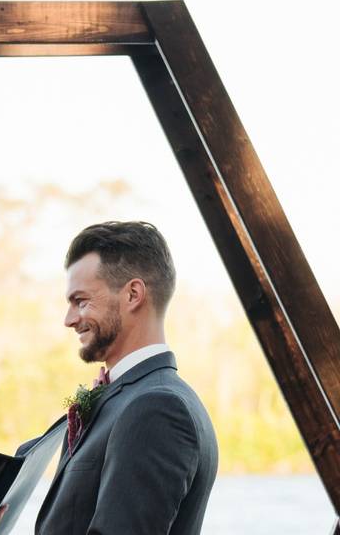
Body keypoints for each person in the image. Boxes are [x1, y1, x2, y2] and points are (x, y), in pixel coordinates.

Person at [34, 221, 218, 534]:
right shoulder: (129, 399)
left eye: (81, 301)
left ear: (133, 294)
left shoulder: (158, 408)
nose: (68, 320)